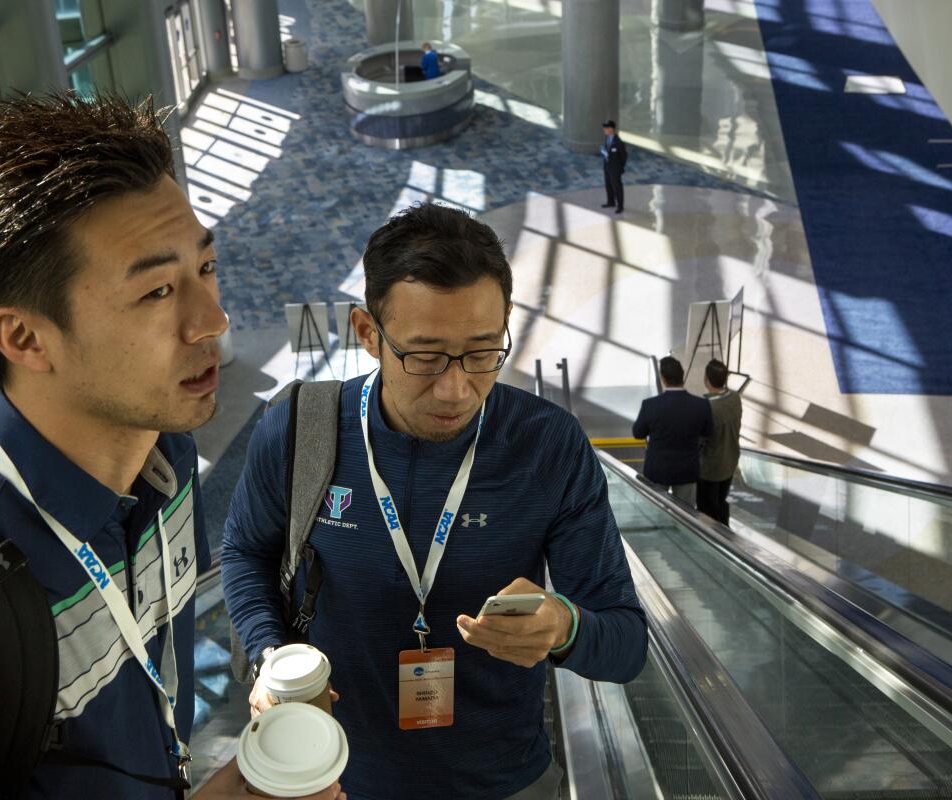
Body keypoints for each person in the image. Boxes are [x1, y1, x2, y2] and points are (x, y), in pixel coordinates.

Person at [0, 93, 338, 800]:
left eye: (205, 268)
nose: (212, 320)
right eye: (157, 291)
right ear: (25, 338)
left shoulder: (166, 474)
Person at [222, 203, 648, 800]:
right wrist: (273, 655)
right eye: (424, 356)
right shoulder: (299, 429)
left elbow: (626, 646)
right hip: (328, 778)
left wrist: (566, 628)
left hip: (505, 782)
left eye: (481, 353)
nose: (456, 389)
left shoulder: (547, 446)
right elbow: (246, 551)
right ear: (368, 333)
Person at [632, 356, 713, 504]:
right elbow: (708, 432)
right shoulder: (701, 405)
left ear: (663, 378)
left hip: (657, 469)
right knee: (686, 515)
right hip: (687, 469)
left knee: (656, 510)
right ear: (682, 376)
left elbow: (638, 433)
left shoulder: (650, 405)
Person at [697, 359, 742, 525]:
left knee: (707, 507)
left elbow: (700, 439)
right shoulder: (735, 398)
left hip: (710, 467)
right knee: (720, 500)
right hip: (730, 462)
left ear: (706, 380)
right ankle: (725, 529)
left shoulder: (705, 407)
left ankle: (714, 539)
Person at [600, 120, 627, 214]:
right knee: (608, 185)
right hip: (607, 166)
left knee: (617, 187)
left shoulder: (618, 142)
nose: (604, 130)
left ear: (611, 129)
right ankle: (610, 202)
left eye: (606, 128)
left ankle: (620, 206)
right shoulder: (607, 138)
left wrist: (620, 168)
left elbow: (624, 156)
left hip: (615, 169)